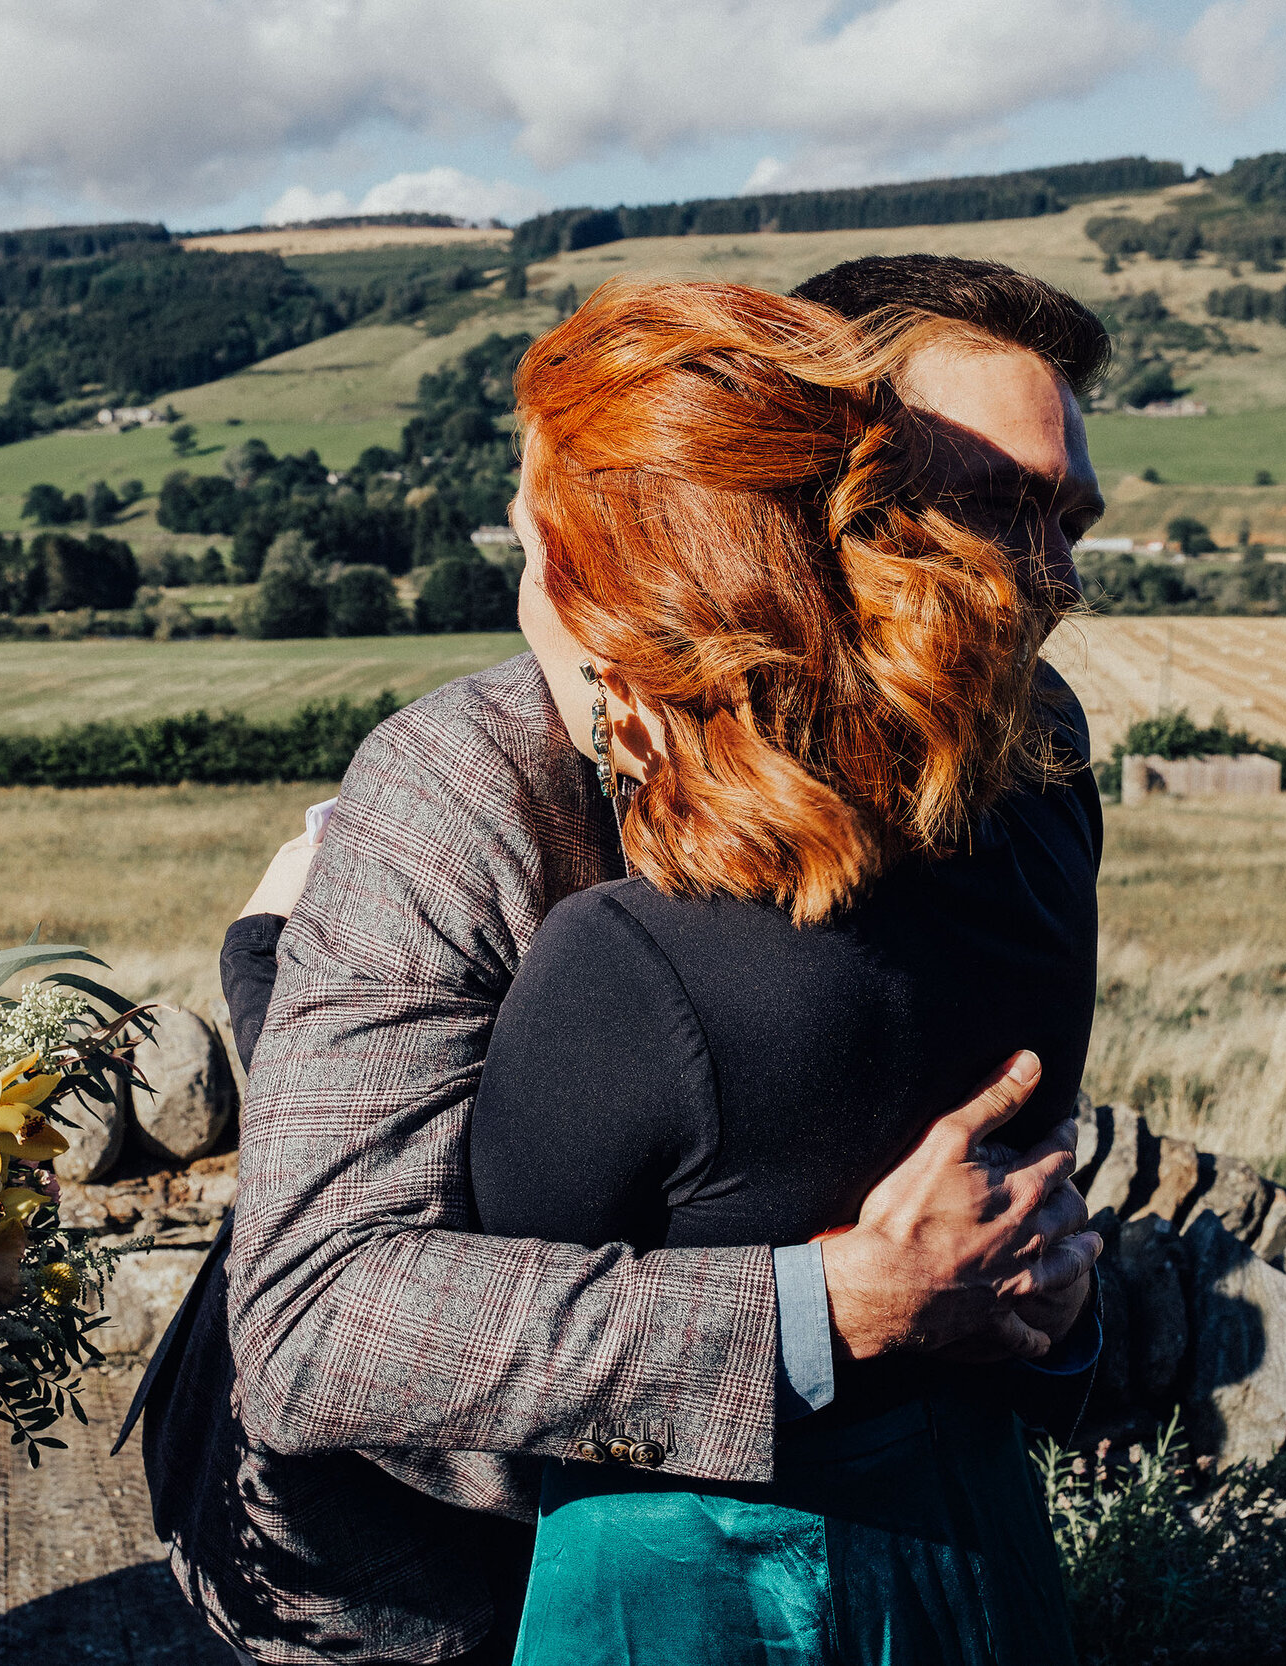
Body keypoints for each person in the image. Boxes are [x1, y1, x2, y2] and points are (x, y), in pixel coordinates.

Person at [165, 255, 1110, 1665]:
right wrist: (824, 1307)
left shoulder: (1025, 757)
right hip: (416, 1562)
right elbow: (325, 1322)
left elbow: (950, 1154)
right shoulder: (456, 784)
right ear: (810, 489)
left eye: (1071, 517)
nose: (1051, 577)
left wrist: (1051, 1294)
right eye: (991, 507)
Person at [464, 276, 1098, 1662]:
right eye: (1011, 509)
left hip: (692, 1594)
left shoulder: (632, 965)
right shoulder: (1047, 821)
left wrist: (268, 960)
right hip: (976, 1557)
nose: (1057, 576)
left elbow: (476, 1300)